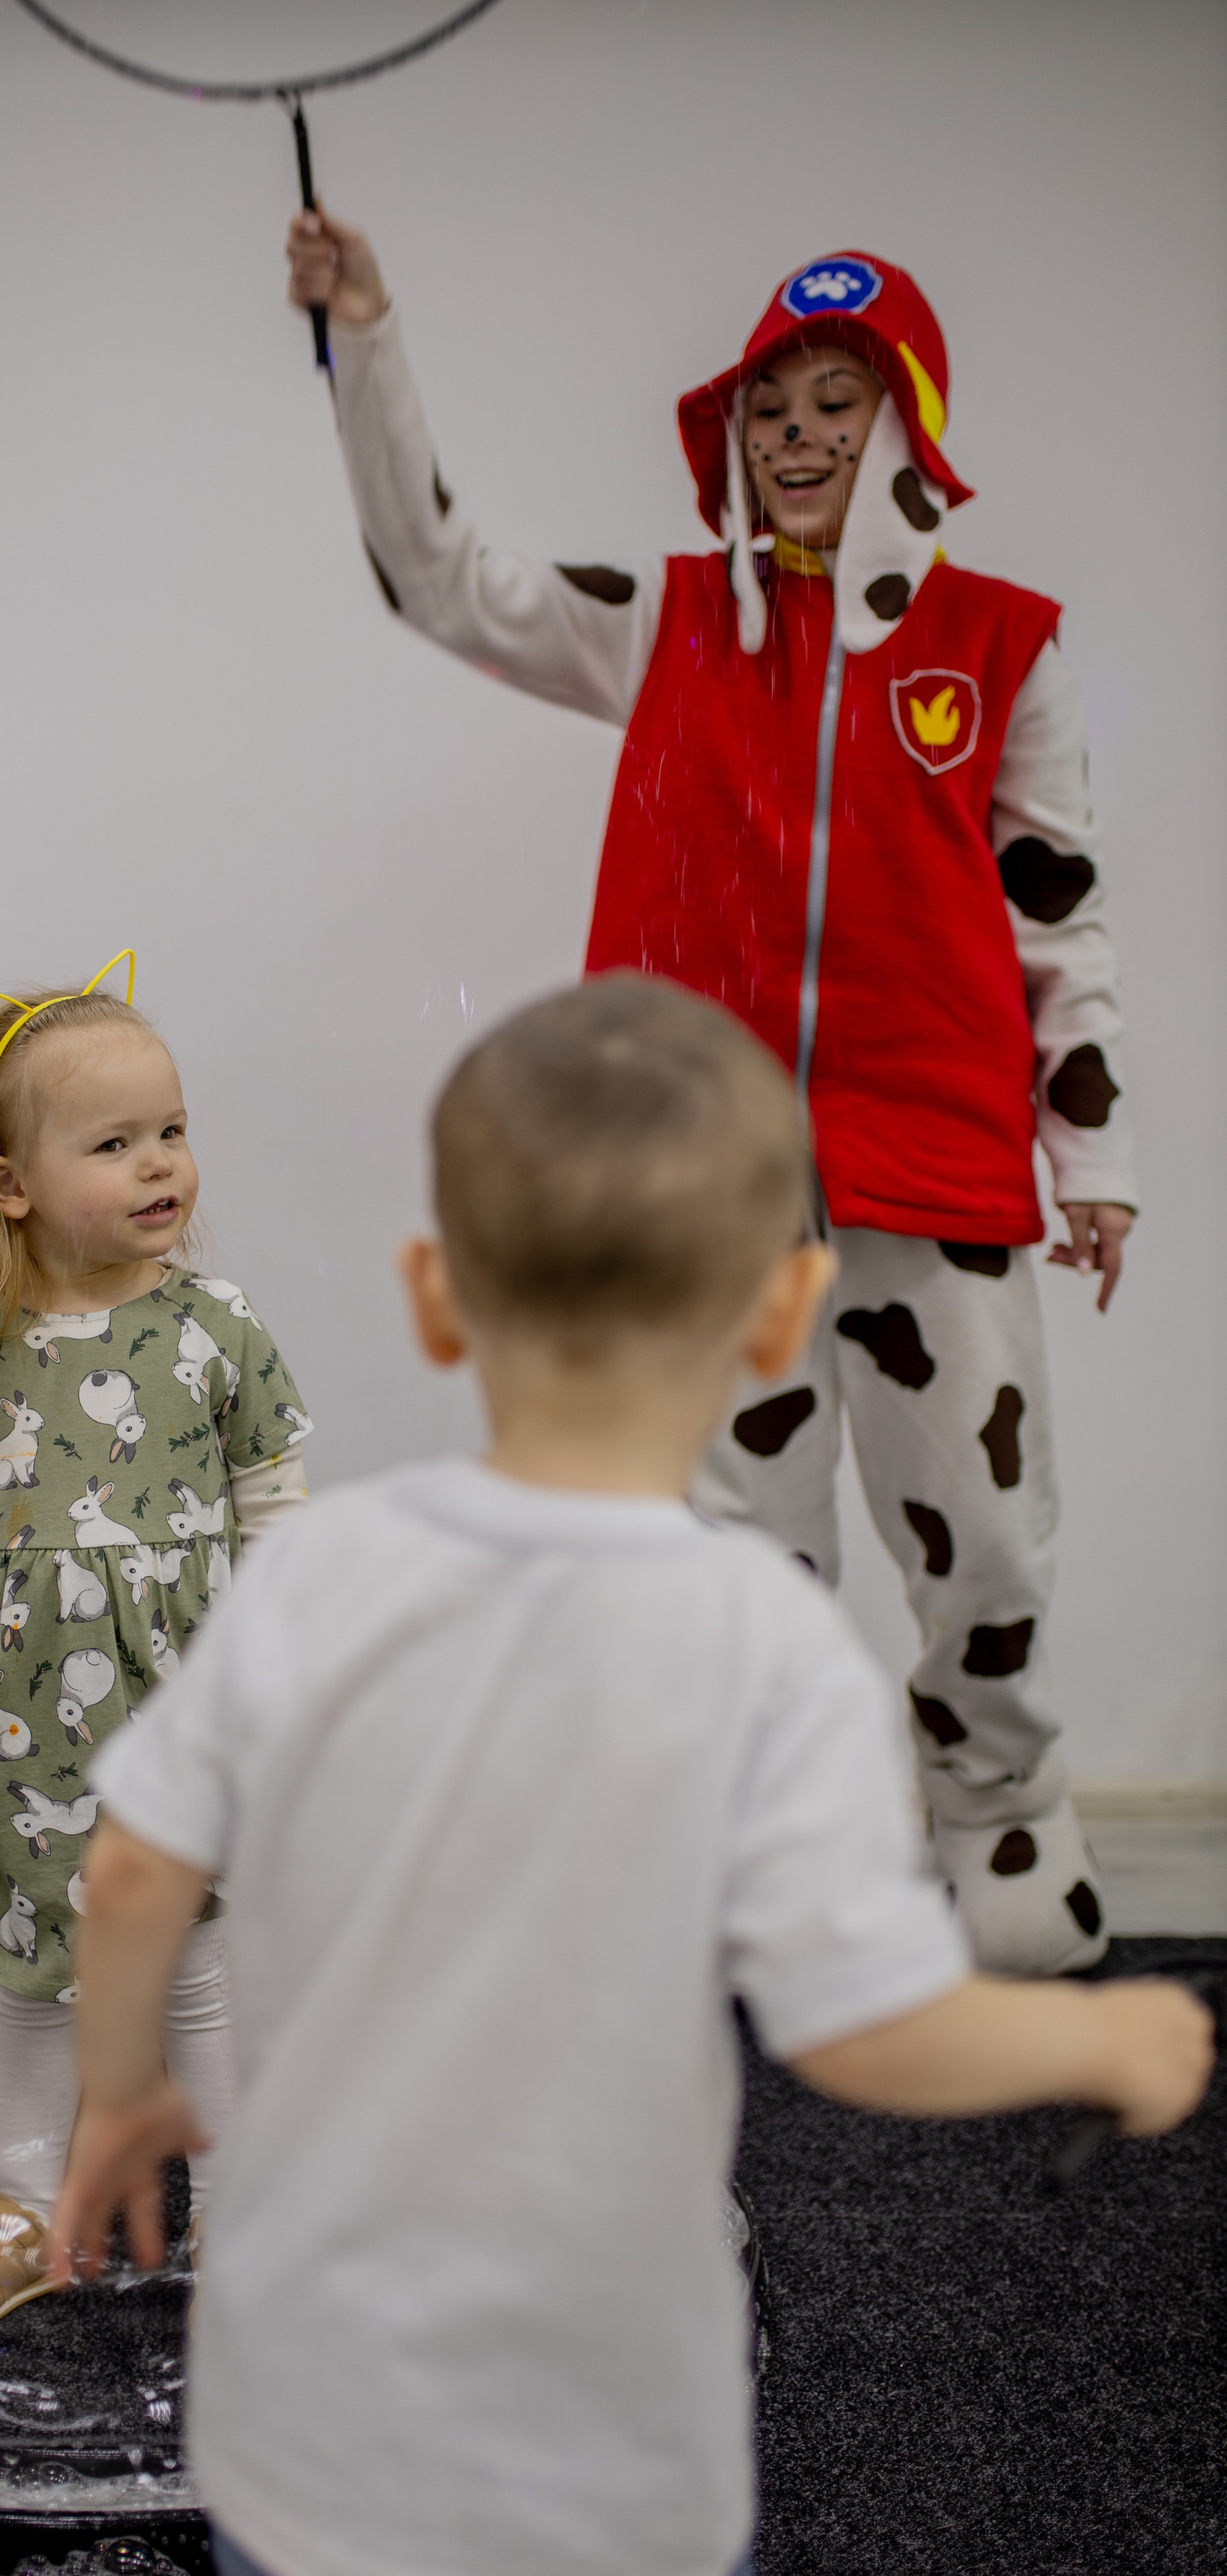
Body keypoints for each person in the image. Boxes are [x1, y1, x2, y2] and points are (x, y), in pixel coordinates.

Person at [48, 976, 1209, 2576]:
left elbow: (131, 1872)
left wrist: (119, 2093)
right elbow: (861, 2031)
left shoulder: (318, 1574)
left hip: (291, 2448)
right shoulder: (760, 1641)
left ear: (434, 1299)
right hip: (569, 2498)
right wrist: (1098, 2045)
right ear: (782, 1315)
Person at [283, 214, 1136, 1977]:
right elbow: (439, 578)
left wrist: (1093, 1154)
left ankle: (995, 1817)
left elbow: (1057, 906)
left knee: (978, 1534)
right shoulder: (665, 623)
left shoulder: (997, 645)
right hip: (706, 1180)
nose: (803, 436)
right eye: (772, 409)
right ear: (730, 439)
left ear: (903, 427)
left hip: (935, 1160)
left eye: (840, 401)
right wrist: (366, 339)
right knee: (731, 1557)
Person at [0, 959, 312, 2326]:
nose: (163, 1165)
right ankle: (23, 2205)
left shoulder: (217, 1332)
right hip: (15, 1733)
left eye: (172, 1130)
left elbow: (279, 1517)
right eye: (115, 1143)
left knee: (200, 1968)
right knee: (30, 1978)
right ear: (12, 1187)